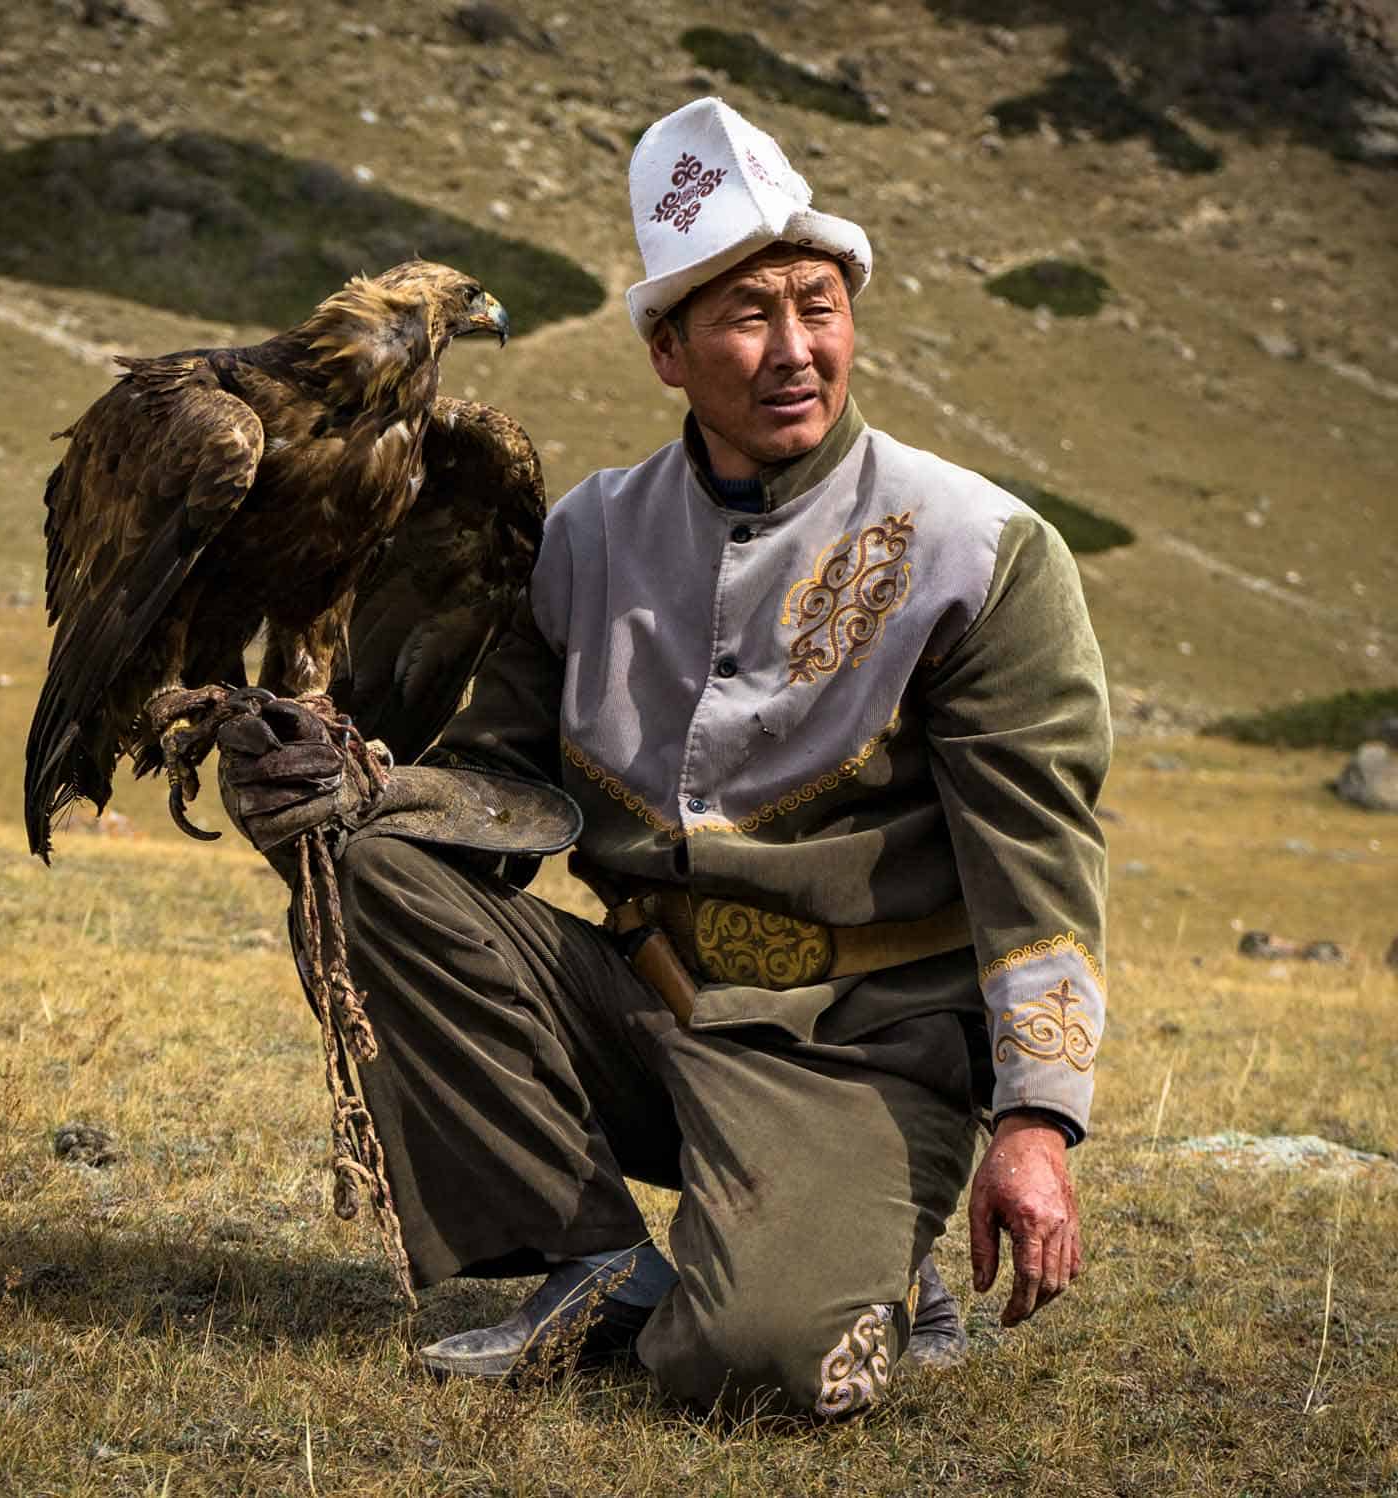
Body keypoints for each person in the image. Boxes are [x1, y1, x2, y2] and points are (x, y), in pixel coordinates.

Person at [217, 97, 1111, 1419]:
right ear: (666, 349)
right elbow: (508, 782)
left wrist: (1038, 1120)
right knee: (364, 861)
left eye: (820, 305)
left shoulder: (982, 552)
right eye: (749, 317)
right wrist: (358, 789)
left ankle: (870, 1244)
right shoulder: (585, 537)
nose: (795, 349)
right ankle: (590, 1257)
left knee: (752, 1362)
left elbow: (1036, 861)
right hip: (647, 1016)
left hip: (867, 1052)